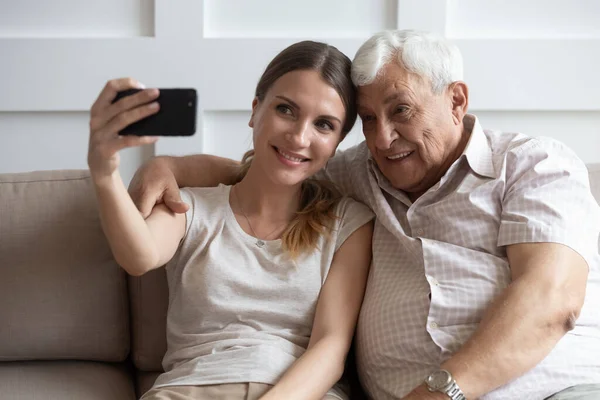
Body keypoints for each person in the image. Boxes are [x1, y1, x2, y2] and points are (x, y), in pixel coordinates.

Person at [129, 30, 600, 400]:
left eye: (402, 111)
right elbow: (274, 171)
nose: (383, 138)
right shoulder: (356, 173)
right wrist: (171, 165)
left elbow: (550, 302)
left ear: (456, 101)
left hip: (550, 391)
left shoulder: (532, 164)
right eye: (369, 119)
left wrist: (436, 394)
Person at [87, 40, 375, 400]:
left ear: (337, 142)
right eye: (286, 109)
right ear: (256, 110)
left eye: (324, 125)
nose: (299, 137)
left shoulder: (349, 223)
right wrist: (104, 172)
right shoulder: (191, 207)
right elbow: (138, 255)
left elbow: (330, 348)